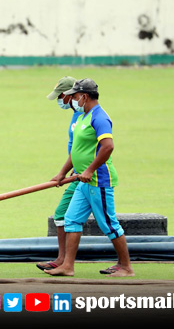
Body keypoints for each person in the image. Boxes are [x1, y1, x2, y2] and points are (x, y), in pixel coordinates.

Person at [45, 78, 134, 277]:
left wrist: (90, 170)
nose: (73, 99)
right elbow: (76, 150)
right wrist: (62, 172)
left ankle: (126, 267)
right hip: (82, 181)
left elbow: (108, 146)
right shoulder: (83, 116)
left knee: (108, 224)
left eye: (75, 96)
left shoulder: (99, 117)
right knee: (71, 219)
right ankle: (67, 266)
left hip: (98, 180)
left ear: (84, 96)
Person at [35, 76, 82, 272]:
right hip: (78, 173)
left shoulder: (86, 115)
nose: (59, 101)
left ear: (70, 94)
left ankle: (125, 265)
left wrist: (62, 172)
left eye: (60, 96)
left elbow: (86, 148)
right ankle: (62, 260)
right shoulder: (75, 115)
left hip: (89, 177)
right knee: (61, 215)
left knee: (107, 223)